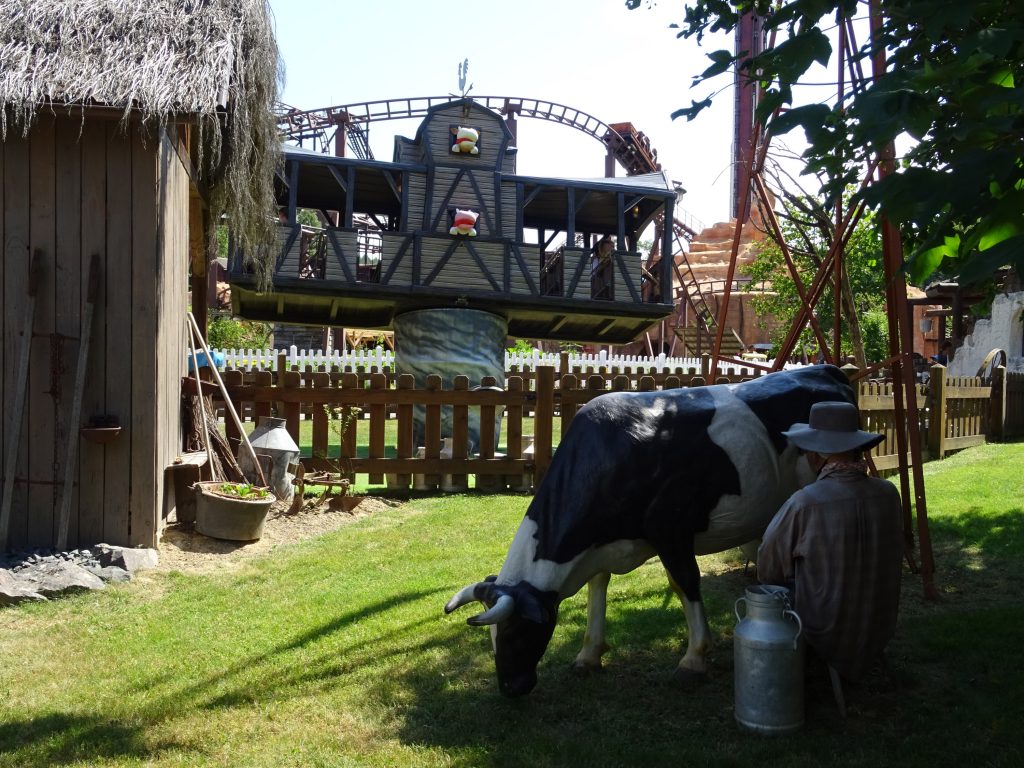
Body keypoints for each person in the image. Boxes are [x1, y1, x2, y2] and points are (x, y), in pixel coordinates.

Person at [758, 401, 903, 682]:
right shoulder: (888, 493)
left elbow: (768, 567)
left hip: (826, 630)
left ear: (815, 456)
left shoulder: (805, 503)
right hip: (879, 624)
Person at [591, 235, 614, 300]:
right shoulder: (599, 260)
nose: (612, 249)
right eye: (610, 247)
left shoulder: (610, 259)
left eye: (612, 247)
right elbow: (595, 273)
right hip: (600, 284)